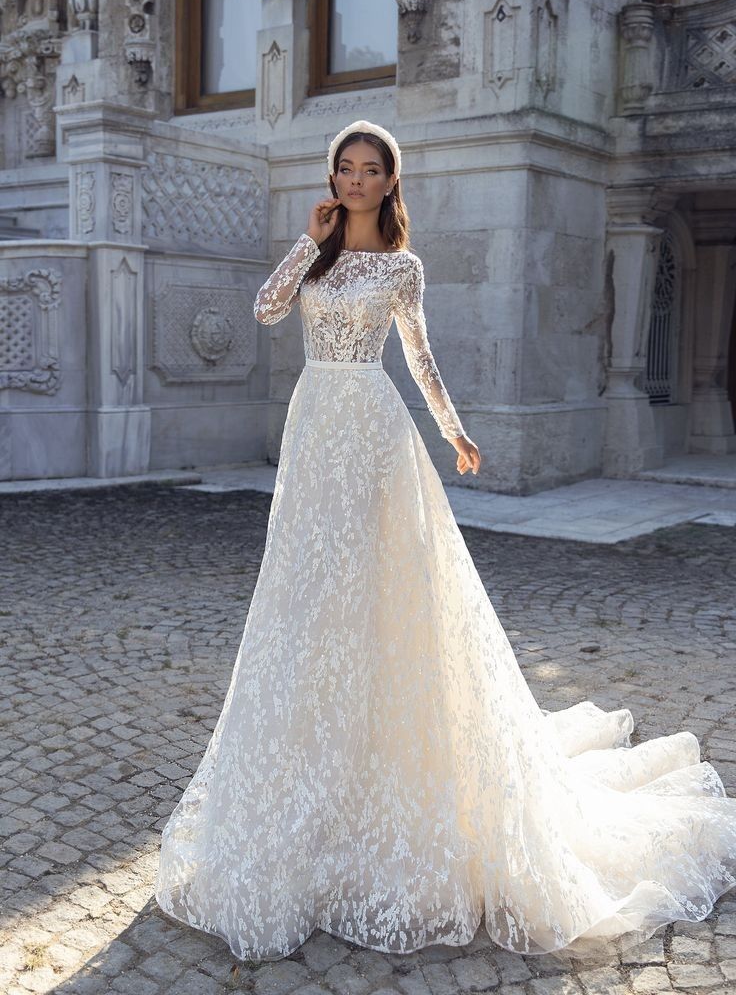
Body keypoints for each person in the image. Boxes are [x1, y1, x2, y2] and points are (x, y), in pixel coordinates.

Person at [155, 119, 736, 964]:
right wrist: (305, 240)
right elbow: (266, 308)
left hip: (373, 431)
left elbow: (420, 358)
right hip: (316, 428)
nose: (355, 181)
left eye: (369, 171)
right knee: (308, 593)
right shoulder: (317, 252)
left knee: (385, 595)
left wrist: (456, 433)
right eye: (344, 170)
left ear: (392, 183)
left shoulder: (402, 267)